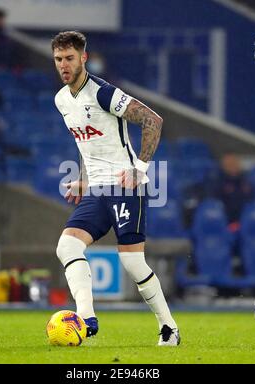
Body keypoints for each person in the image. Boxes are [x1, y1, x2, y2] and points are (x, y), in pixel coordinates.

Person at [52, 31, 180, 346]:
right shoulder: (62, 100)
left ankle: (169, 328)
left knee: (132, 262)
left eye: (69, 58)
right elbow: (87, 145)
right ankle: (86, 318)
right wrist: (84, 178)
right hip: (96, 188)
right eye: (58, 59)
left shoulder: (103, 93)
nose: (64, 65)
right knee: (67, 247)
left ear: (83, 58)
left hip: (125, 185)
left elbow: (153, 121)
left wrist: (140, 171)